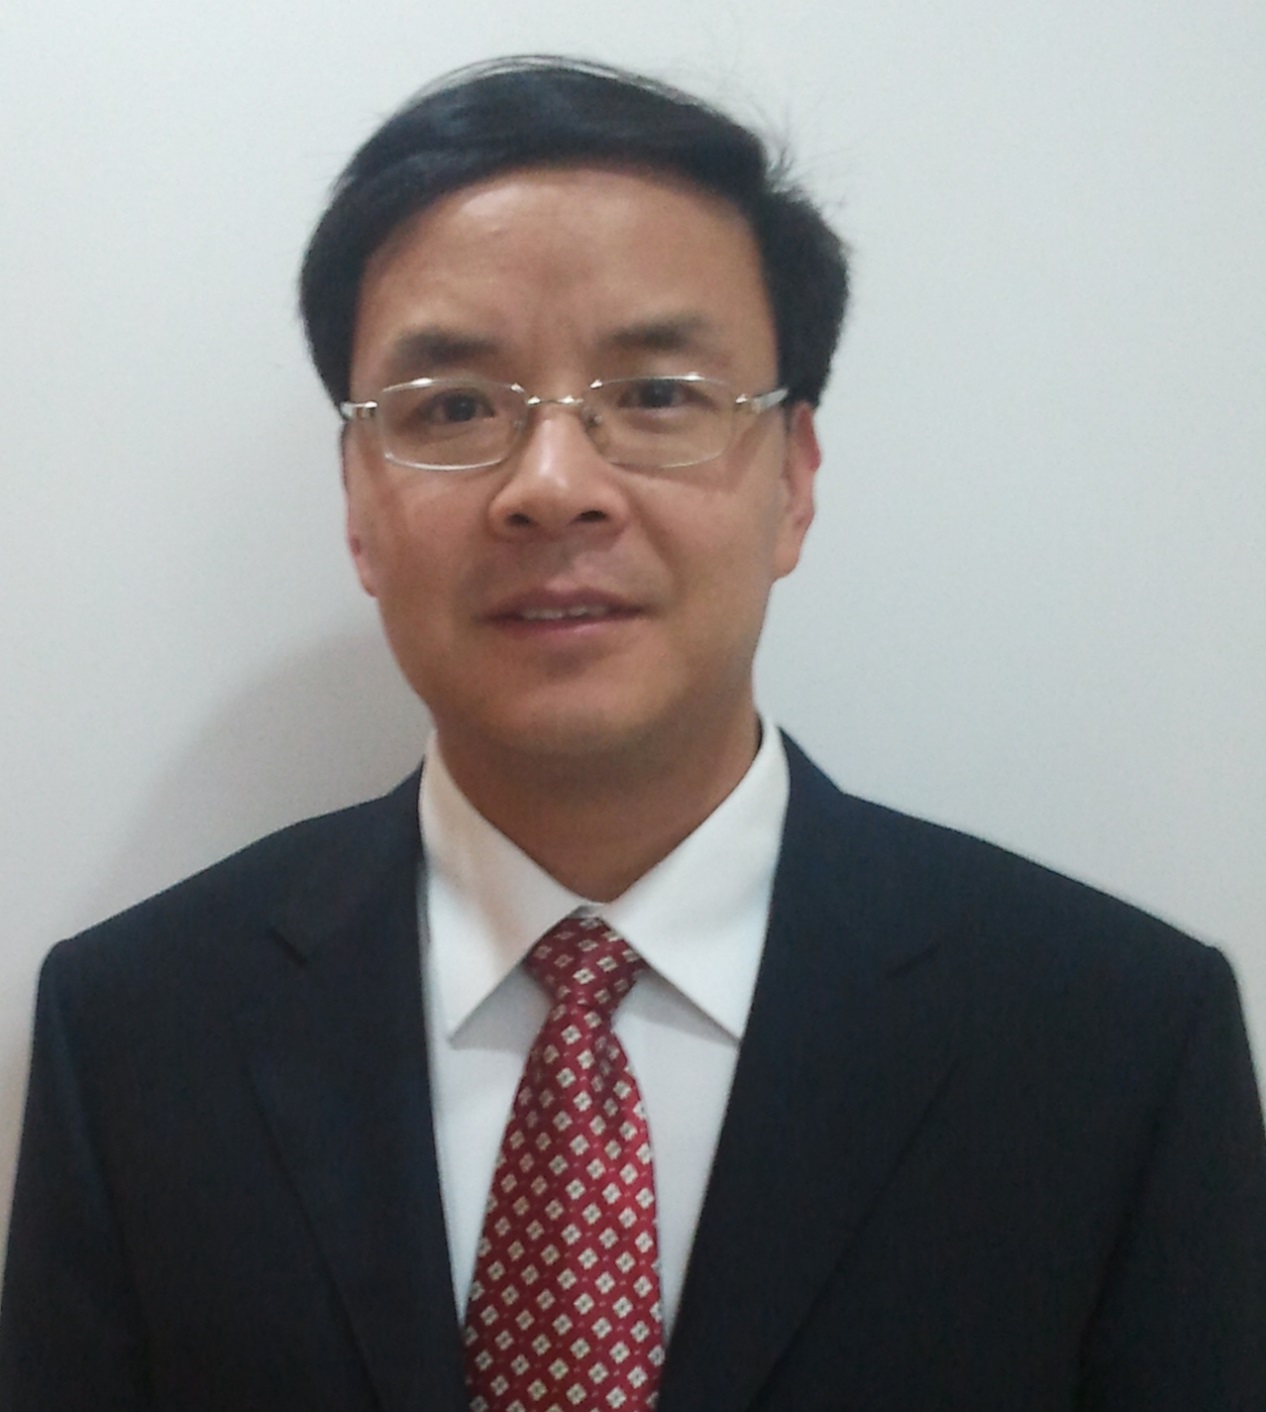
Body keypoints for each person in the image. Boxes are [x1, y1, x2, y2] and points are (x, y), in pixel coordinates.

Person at [1, 55, 1263, 1412]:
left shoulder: (1116, 1041)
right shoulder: (135, 1032)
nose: (553, 488)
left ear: (794, 482)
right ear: (358, 504)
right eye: (453, 408)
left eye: (657, 395)